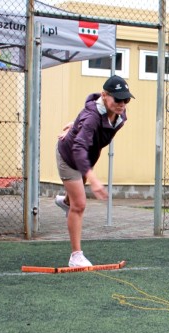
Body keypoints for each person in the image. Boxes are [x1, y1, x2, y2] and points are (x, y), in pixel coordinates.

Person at [55, 75, 132, 267]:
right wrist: (93, 179)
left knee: (74, 201)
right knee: (79, 204)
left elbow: (89, 117)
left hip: (87, 158)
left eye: (126, 99)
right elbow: (79, 147)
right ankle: (76, 257)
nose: (122, 104)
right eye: (118, 99)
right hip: (70, 156)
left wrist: (74, 124)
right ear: (105, 96)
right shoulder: (91, 117)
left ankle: (65, 202)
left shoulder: (120, 115)